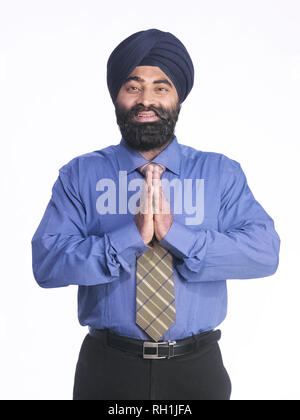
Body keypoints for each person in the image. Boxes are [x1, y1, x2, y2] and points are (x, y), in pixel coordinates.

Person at [31, 28, 280, 401]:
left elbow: (264, 253)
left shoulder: (221, 173)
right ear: (116, 94)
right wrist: (129, 238)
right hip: (107, 367)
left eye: (161, 87)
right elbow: (47, 263)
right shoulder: (80, 175)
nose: (146, 99)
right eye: (133, 87)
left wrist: (177, 236)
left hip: (198, 369)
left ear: (178, 97)